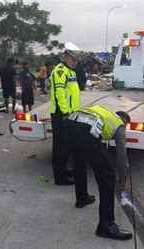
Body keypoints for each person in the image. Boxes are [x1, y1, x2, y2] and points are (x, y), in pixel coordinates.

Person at [63, 105, 132, 240]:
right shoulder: (119, 124)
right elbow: (121, 157)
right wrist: (122, 181)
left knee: (80, 160)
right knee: (107, 174)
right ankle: (106, 225)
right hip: (85, 131)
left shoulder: (102, 112)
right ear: (124, 121)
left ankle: (82, 198)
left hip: (68, 125)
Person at [49, 42, 82, 186]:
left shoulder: (71, 72)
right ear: (66, 56)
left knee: (67, 146)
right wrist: (65, 113)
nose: (75, 63)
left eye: (77, 60)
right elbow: (59, 94)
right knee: (60, 147)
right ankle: (60, 178)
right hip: (61, 114)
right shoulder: (60, 71)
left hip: (70, 114)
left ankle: (64, 171)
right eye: (73, 59)